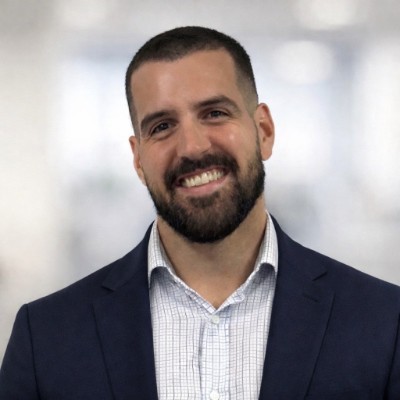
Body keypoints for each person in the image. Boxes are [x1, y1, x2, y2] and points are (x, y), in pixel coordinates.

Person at [0, 26, 399, 400]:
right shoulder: (45, 337)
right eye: (162, 126)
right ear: (138, 160)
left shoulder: (384, 323)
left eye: (214, 113)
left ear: (264, 131)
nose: (192, 146)